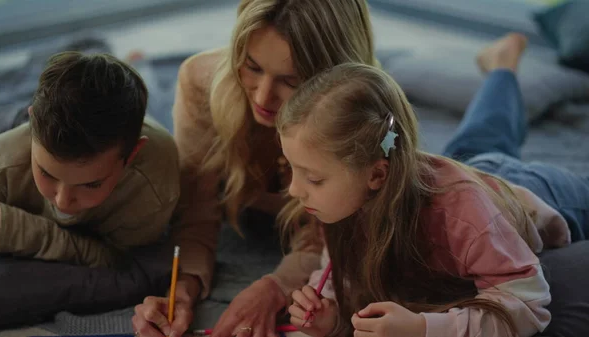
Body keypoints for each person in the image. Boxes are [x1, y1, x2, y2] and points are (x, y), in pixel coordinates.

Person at [280, 39, 589, 337]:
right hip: (458, 171)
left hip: (536, 196)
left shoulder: (464, 220)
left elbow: (529, 305)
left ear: (376, 175)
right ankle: (501, 65)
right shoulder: (345, 199)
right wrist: (331, 318)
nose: (294, 190)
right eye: (291, 168)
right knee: (484, 134)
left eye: (314, 178)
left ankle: (502, 67)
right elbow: (343, 277)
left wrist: (423, 328)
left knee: (491, 147)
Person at [131, 1, 380, 337]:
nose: (263, 97)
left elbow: (327, 241)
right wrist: (183, 290)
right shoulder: (202, 82)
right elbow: (195, 211)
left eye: (291, 81)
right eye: (252, 66)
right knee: (149, 104)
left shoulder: (359, 119)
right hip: (215, 134)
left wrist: (275, 289)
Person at [0, 51, 180, 268]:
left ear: (132, 155)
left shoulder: (153, 186)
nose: (62, 200)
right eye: (47, 173)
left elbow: (124, 267)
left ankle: (134, 62)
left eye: (91, 184)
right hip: (13, 123)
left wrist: (15, 230)